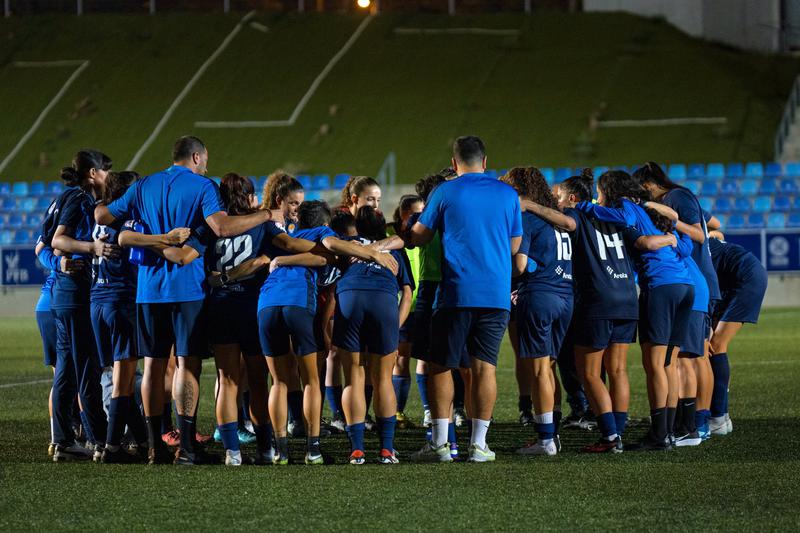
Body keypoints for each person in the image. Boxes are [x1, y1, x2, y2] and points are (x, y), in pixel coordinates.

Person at [95, 135, 273, 465]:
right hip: (188, 290)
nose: (205, 165)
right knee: (187, 365)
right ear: (195, 158)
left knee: (152, 365)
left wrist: (150, 237)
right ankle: (187, 447)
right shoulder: (203, 187)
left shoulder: (144, 185)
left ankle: (153, 446)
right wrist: (264, 216)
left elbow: (103, 217)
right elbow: (220, 227)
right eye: (204, 160)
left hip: (148, 290)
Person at [406, 136, 522, 463]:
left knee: (441, 365)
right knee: (485, 368)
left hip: (456, 292)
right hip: (496, 295)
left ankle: (441, 445)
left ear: (454, 163)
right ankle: (479, 446)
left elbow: (420, 237)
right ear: (485, 162)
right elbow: (514, 247)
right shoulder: (507, 193)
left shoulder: (445, 190)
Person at [258, 200, 398, 465]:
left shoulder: (283, 236)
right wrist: (373, 253)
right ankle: (313, 450)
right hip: (298, 301)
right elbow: (330, 251)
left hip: (266, 304)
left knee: (278, 381)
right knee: (311, 379)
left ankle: (281, 452)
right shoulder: (323, 235)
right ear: (324, 224)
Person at [574, 170, 694, 451]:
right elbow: (686, 246)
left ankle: (659, 435)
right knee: (668, 364)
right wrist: (670, 239)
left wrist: (586, 206)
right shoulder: (652, 212)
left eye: (601, 192)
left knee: (654, 365)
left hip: (661, 286)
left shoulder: (626, 207)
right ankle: (668, 432)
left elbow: (628, 224)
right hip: (685, 285)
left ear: (610, 191)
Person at [91, 171, 175, 463]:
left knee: (115, 379)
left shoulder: (101, 221)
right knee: (124, 382)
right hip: (120, 303)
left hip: (97, 302)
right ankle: (111, 447)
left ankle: (140, 439)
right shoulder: (125, 223)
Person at [635, 162, 718, 440]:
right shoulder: (674, 206)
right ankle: (689, 425)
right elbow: (712, 226)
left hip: (690, 282)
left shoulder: (675, 198)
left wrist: (668, 220)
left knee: (688, 359)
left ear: (648, 185)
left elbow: (700, 233)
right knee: (687, 358)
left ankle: (693, 425)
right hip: (691, 282)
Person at [46, 149, 115, 462]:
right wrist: (92, 247)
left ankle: (62, 441)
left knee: (67, 370)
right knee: (87, 368)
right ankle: (100, 440)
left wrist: (59, 263)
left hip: (62, 295)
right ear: (92, 174)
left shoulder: (63, 197)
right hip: (75, 295)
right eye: (104, 172)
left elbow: (43, 242)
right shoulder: (79, 199)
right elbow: (58, 240)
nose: (107, 178)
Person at [333, 206, 414, 464]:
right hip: (383, 302)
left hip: (351, 298)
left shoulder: (348, 243)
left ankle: (357, 449)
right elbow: (408, 293)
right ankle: (386, 450)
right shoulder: (395, 248)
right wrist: (395, 325)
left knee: (353, 378)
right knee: (382, 379)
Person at [503, 167, 573, 457]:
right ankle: (552, 433)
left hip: (539, 296)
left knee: (539, 369)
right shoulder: (555, 219)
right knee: (549, 367)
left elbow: (519, 265)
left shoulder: (528, 218)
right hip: (565, 297)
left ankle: (545, 440)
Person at [706, 230, 768, 435]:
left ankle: (718, 418)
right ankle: (720, 415)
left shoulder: (691, 251)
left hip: (745, 279)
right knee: (713, 346)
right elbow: (717, 227)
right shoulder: (699, 236)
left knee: (715, 346)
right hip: (735, 278)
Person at [388, 195, 423, 428]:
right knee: (400, 358)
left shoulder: (425, 236)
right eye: (415, 213)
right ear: (403, 215)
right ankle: (396, 411)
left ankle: (431, 412)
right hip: (401, 306)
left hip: (423, 304)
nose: (420, 218)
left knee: (427, 359)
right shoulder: (392, 239)